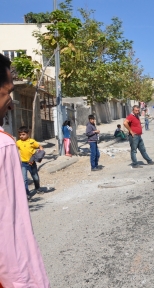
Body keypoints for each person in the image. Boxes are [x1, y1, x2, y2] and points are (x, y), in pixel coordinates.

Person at [0, 53, 50, 287]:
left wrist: (37, 156)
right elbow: (10, 229)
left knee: (29, 179)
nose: (10, 103)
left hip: (28, 163)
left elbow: (39, 148)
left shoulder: (20, 142)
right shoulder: (5, 145)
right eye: (6, 92)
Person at [16, 126, 44, 199]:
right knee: (24, 179)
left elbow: (40, 147)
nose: (21, 136)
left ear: (28, 134)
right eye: (20, 135)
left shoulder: (32, 141)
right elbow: (14, 149)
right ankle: (26, 193)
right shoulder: (18, 142)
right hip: (23, 163)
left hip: (32, 163)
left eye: (23, 134)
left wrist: (40, 154)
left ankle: (37, 188)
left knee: (35, 177)